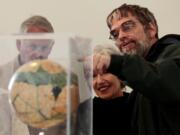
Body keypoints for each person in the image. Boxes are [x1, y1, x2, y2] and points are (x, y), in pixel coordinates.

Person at [93, 3, 180, 135]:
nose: (121, 36)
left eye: (127, 27)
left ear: (151, 28)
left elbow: (167, 81)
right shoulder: (138, 92)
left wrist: (116, 62)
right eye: (115, 34)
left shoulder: (175, 52)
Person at [0, 15, 66, 135]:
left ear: (51, 47)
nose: (38, 54)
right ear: (19, 44)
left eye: (44, 47)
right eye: (33, 46)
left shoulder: (60, 81)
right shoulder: (1, 76)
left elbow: (65, 127)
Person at [77, 44, 131, 135]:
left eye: (105, 72)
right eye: (93, 76)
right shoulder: (84, 112)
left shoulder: (139, 105)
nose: (99, 81)